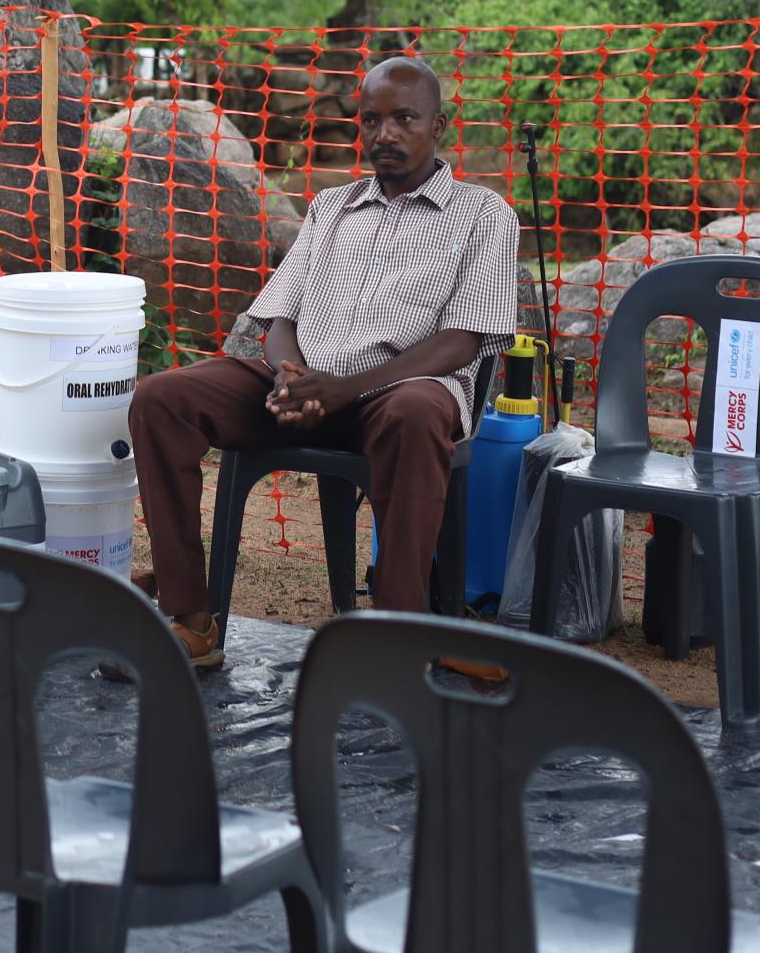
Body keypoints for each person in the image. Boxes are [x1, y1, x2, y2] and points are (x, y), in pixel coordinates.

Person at [127, 55, 519, 665]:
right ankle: (193, 619)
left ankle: (397, 634)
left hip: (399, 392)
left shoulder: (484, 217)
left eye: (403, 119)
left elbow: (464, 340)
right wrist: (290, 377)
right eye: (371, 120)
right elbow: (280, 315)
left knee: (419, 411)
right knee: (161, 399)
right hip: (306, 383)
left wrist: (347, 388)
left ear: (438, 125)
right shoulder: (331, 207)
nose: (384, 134)